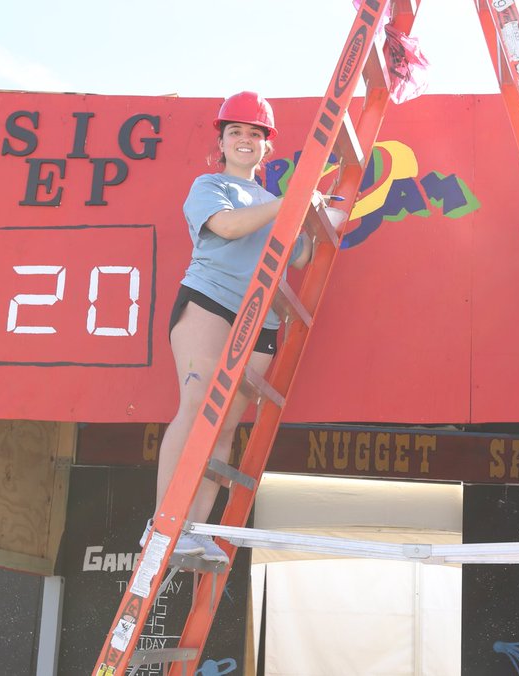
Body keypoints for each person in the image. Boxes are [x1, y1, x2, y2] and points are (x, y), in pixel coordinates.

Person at [144, 91, 313, 562]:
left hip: (262, 317)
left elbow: (301, 256)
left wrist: (317, 213)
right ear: (221, 141)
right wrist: (289, 202)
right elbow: (228, 228)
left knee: (224, 429)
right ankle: (162, 525)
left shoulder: (280, 200)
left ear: (267, 146)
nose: (245, 139)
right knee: (198, 406)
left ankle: (193, 529)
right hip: (211, 302)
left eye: (255, 133)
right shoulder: (209, 185)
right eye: (236, 131)